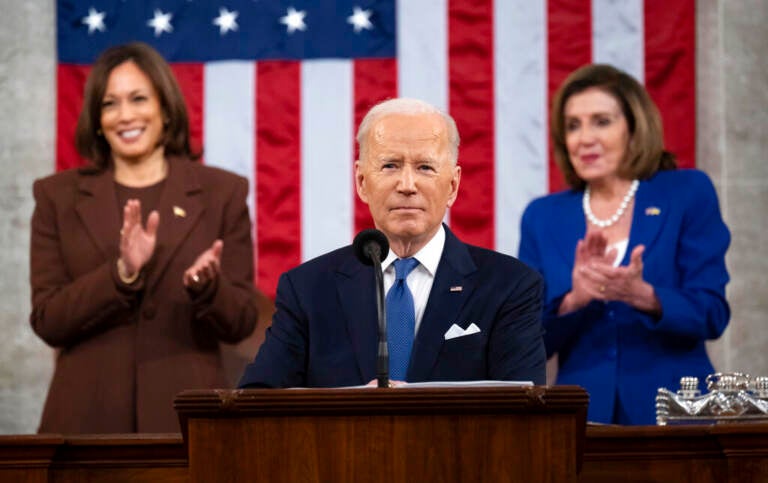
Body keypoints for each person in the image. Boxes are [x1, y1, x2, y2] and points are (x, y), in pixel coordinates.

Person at [30, 42, 259, 433]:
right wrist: (120, 274)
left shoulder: (223, 193)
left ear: (166, 110)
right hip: (85, 425)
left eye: (138, 98)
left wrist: (209, 288)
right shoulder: (57, 196)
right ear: (96, 120)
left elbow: (242, 321)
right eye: (109, 104)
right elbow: (48, 320)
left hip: (189, 424)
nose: (125, 115)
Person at [239, 98, 546, 388]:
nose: (407, 185)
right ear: (361, 181)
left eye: (425, 167)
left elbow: (525, 413)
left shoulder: (510, 287)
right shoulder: (307, 289)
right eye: (390, 166)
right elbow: (258, 398)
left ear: (452, 185)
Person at [518, 64, 730, 425]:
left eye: (601, 121)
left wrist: (644, 295)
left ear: (634, 128)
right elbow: (526, 341)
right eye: (573, 125)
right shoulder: (542, 216)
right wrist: (574, 301)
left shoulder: (687, 193)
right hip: (581, 421)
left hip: (674, 415)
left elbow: (712, 313)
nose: (584, 138)